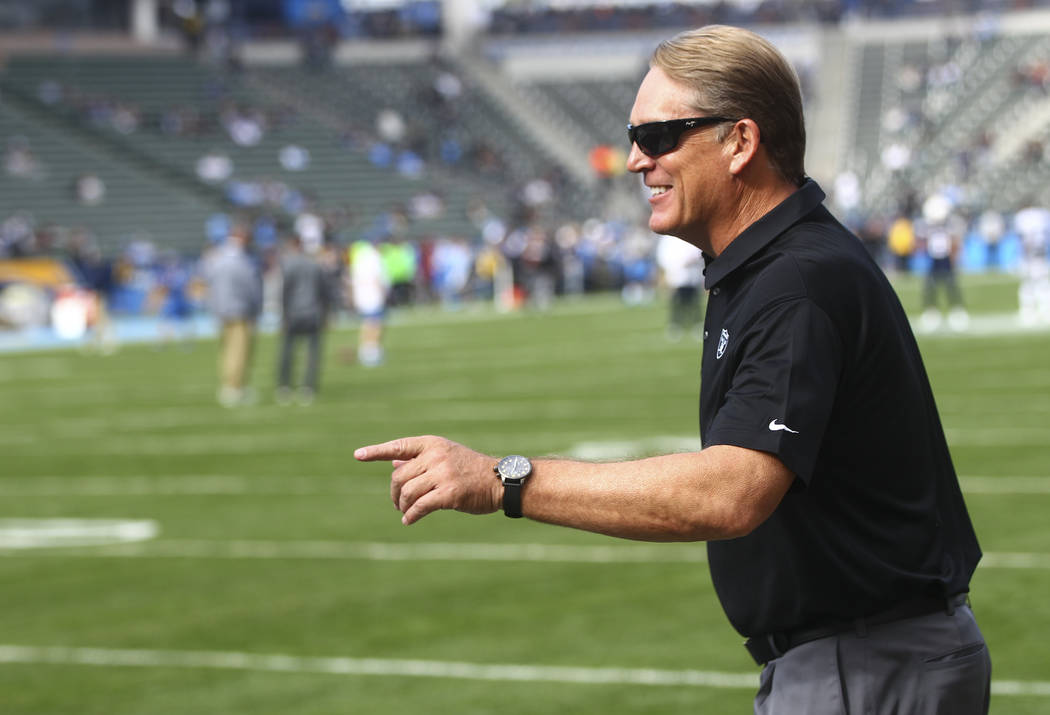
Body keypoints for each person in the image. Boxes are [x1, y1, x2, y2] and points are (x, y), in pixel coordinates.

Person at [355, 25, 989, 714]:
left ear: (740, 142)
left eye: (658, 136)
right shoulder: (769, 269)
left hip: (868, 661)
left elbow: (733, 490)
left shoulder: (796, 280)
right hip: (862, 655)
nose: (635, 160)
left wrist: (503, 478)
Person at [203, 221, 262, 407]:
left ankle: (229, 384)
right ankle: (234, 387)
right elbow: (251, 287)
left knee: (226, 350)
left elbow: (208, 282)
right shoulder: (242, 260)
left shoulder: (216, 257)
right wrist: (256, 308)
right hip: (240, 310)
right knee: (239, 351)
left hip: (221, 310)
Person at [276, 232, 333, 405]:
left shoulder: (288, 265)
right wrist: (326, 314)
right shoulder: (314, 265)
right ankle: (308, 387)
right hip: (312, 313)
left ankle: (284, 386)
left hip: (293, 314)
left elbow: (285, 293)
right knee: (313, 353)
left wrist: (284, 315)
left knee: (287, 351)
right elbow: (324, 292)